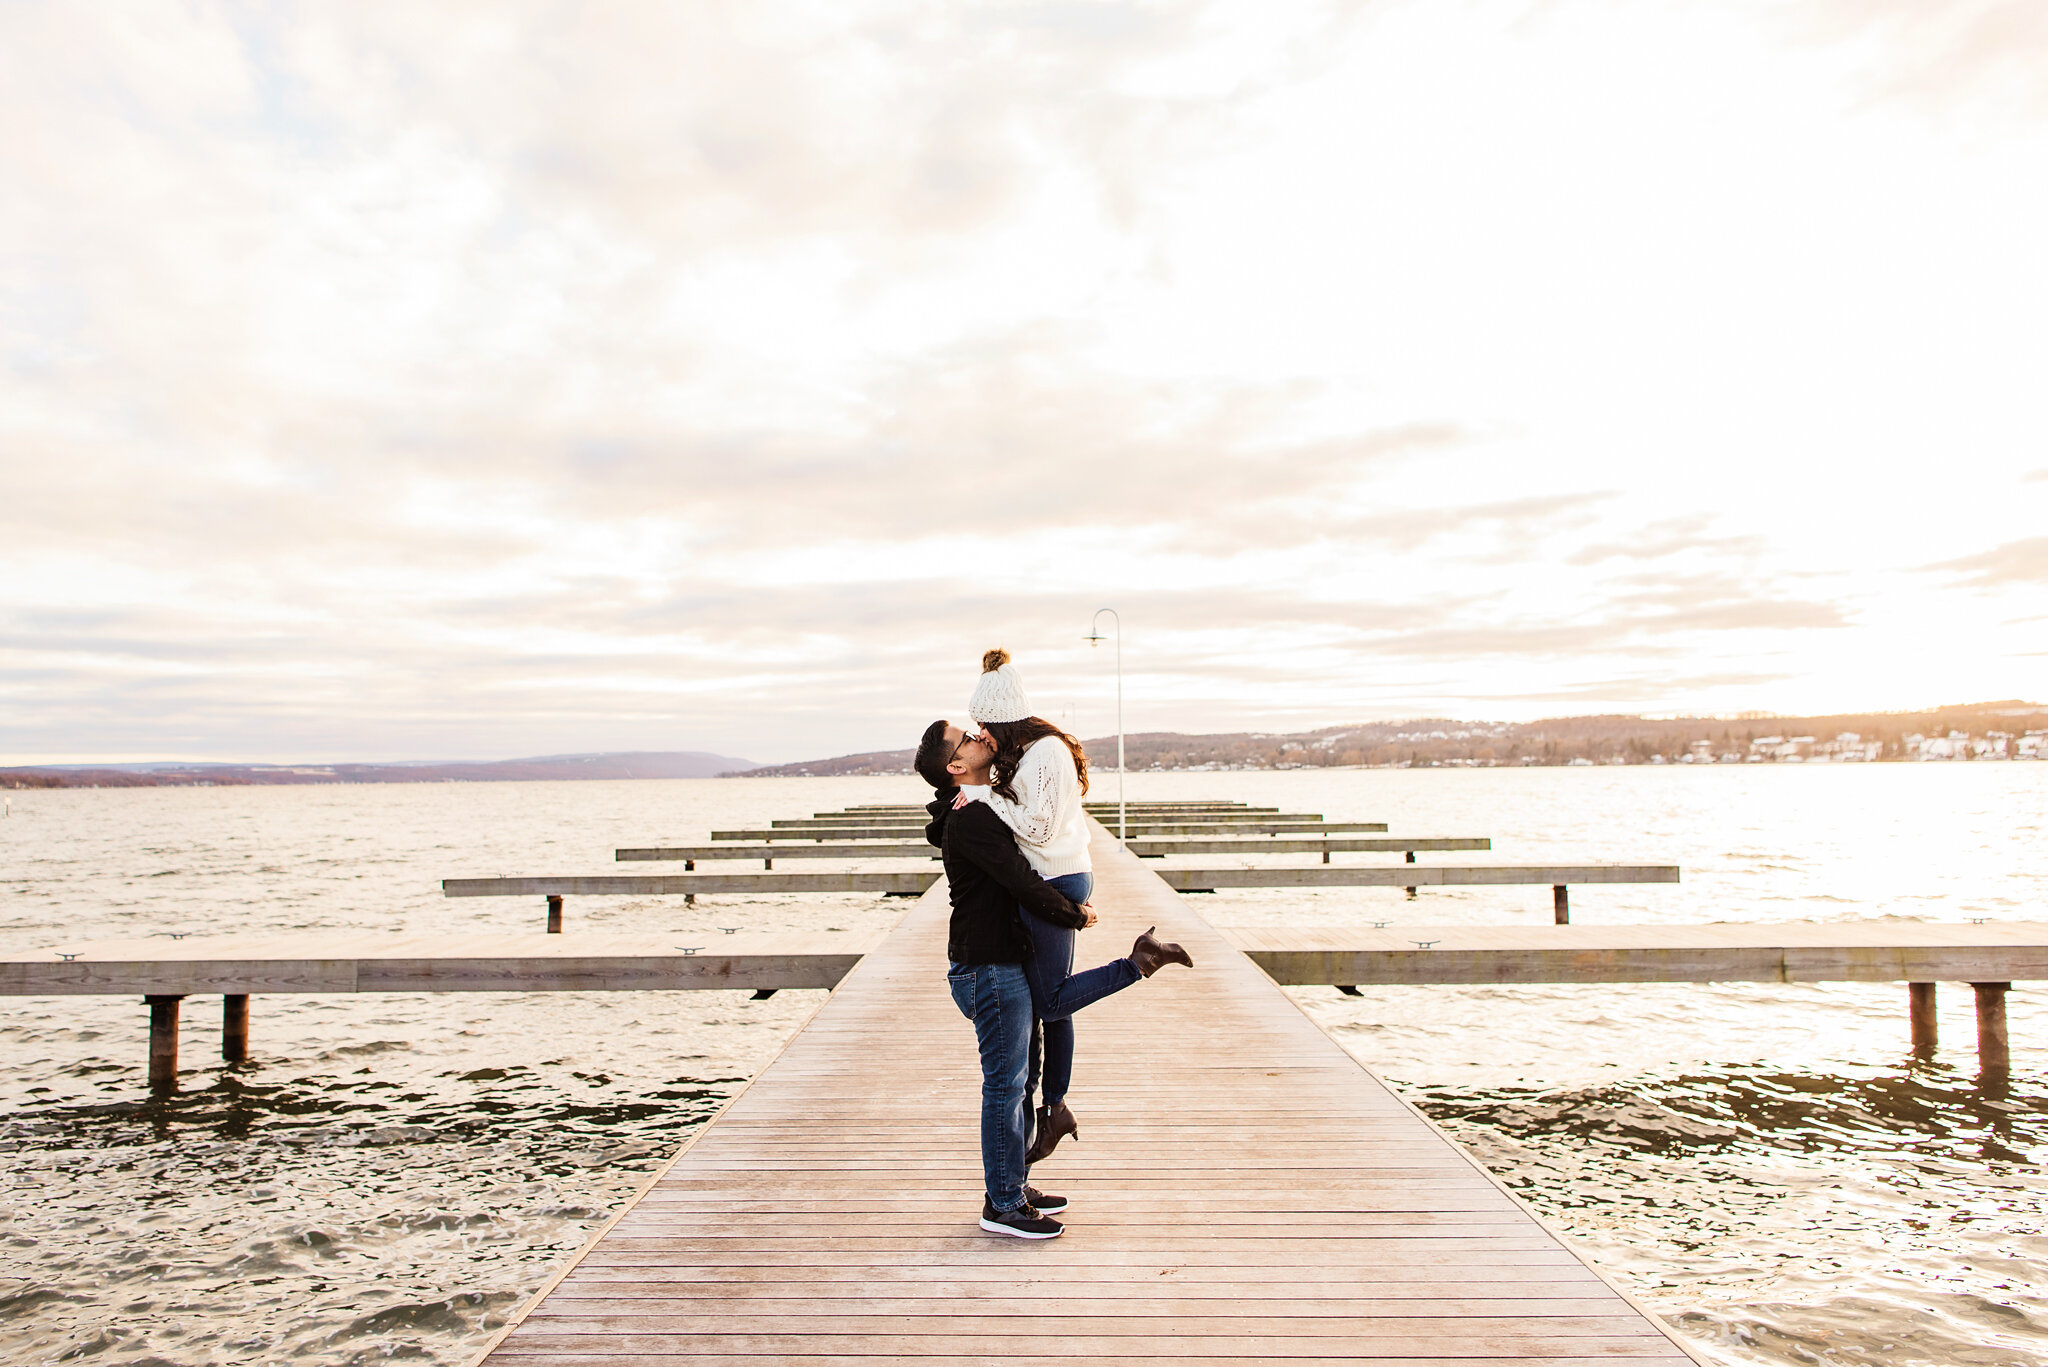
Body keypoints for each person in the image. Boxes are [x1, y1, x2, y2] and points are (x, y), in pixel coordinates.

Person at [958, 648, 1192, 1163]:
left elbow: (1037, 827)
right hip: (1054, 874)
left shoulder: (1044, 754)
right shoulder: (1028, 752)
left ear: (1000, 717)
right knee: (1052, 1004)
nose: (981, 733)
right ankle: (1055, 1108)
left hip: (1059, 878)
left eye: (983, 723)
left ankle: (1139, 962)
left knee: (1049, 1002)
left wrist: (983, 798)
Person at [916, 720, 1087, 1238]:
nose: (979, 735)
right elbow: (1020, 879)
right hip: (986, 966)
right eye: (966, 737)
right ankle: (1003, 1205)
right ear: (955, 766)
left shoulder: (979, 807)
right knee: (1005, 1085)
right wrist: (1075, 913)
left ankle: (1012, 1181)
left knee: (1022, 1080)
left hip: (1001, 960)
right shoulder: (971, 819)